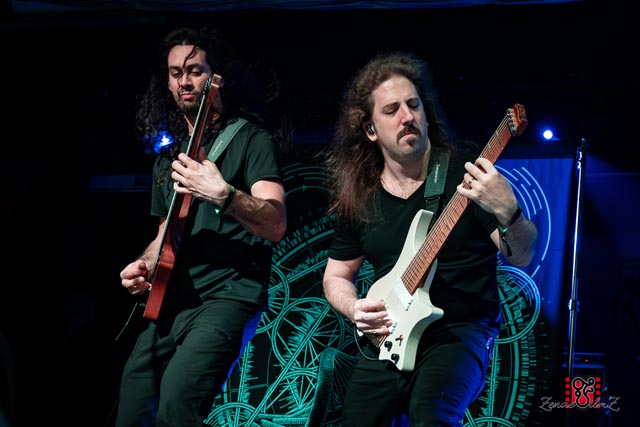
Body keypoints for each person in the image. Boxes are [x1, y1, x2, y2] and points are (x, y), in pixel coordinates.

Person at [321, 51, 538, 427]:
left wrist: (509, 212)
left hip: (459, 333)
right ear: (370, 129)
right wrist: (354, 307)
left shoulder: (465, 175)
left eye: (413, 104)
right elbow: (336, 275)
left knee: (431, 416)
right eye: (392, 110)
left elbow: (521, 255)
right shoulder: (360, 197)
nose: (407, 116)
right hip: (390, 337)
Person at [115, 25, 287, 427]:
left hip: (226, 297)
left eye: (194, 71)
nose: (184, 81)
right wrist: (143, 266)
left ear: (215, 78)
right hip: (170, 303)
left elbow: (276, 222)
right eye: (176, 73)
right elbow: (164, 234)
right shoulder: (167, 159)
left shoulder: (250, 139)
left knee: (178, 406)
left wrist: (224, 193)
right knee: (132, 406)